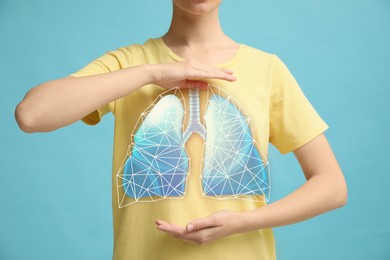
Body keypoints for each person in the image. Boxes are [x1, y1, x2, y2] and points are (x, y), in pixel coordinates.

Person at [15, 0, 347, 259]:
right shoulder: (130, 62)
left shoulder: (267, 69)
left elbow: (332, 185)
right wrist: (152, 73)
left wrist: (242, 222)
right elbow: (31, 115)